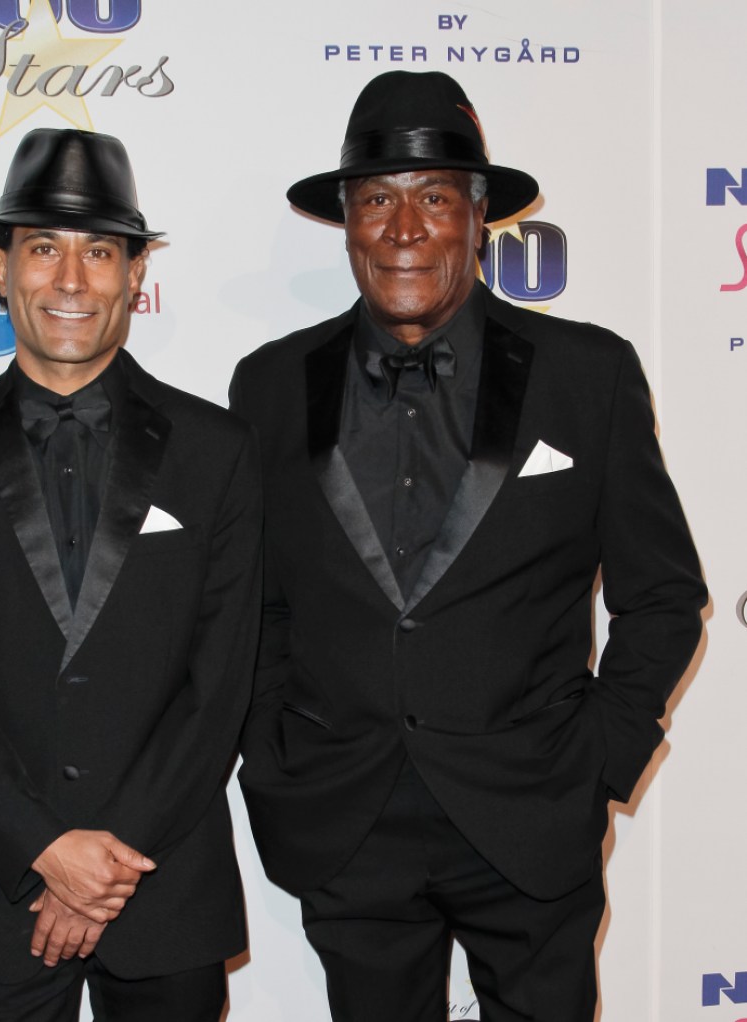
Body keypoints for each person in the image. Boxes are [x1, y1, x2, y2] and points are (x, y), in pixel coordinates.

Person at [230, 71, 706, 1021]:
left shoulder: (589, 374)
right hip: (347, 821)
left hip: (531, 818)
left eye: (435, 197)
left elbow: (661, 595)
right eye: (378, 199)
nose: (405, 227)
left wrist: (600, 763)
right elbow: (257, 604)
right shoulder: (269, 386)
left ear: (479, 216)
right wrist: (275, 755)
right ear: (348, 222)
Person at [0, 128, 261, 1022]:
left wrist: (104, 862)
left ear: (135, 274)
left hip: (164, 891)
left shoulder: (218, 452)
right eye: (44, 248)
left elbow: (221, 685)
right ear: (0, 269)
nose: (74, 281)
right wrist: (44, 846)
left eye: (101, 252)